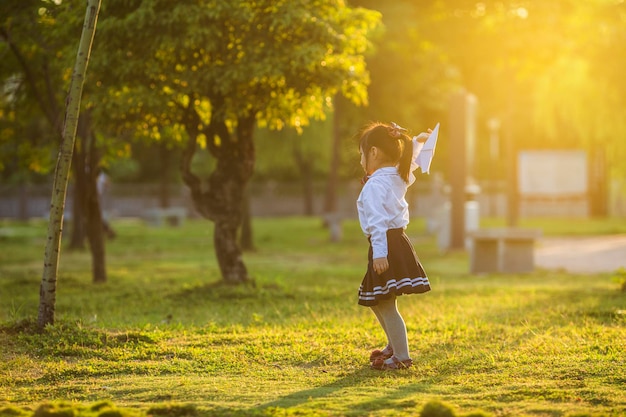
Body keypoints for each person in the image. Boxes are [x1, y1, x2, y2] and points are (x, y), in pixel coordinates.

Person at [356, 121, 432, 371]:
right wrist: (417, 143)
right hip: (395, 241)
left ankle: (401, 356)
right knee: (378, 300)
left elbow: (377, 222)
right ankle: (393, 345)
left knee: (386, 303)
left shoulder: (376, 184)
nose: (360, 161)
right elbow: (410, 164)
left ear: (374, 153)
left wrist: (379, 253)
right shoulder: (397, 176)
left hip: (385, 243)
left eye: (361, 154)